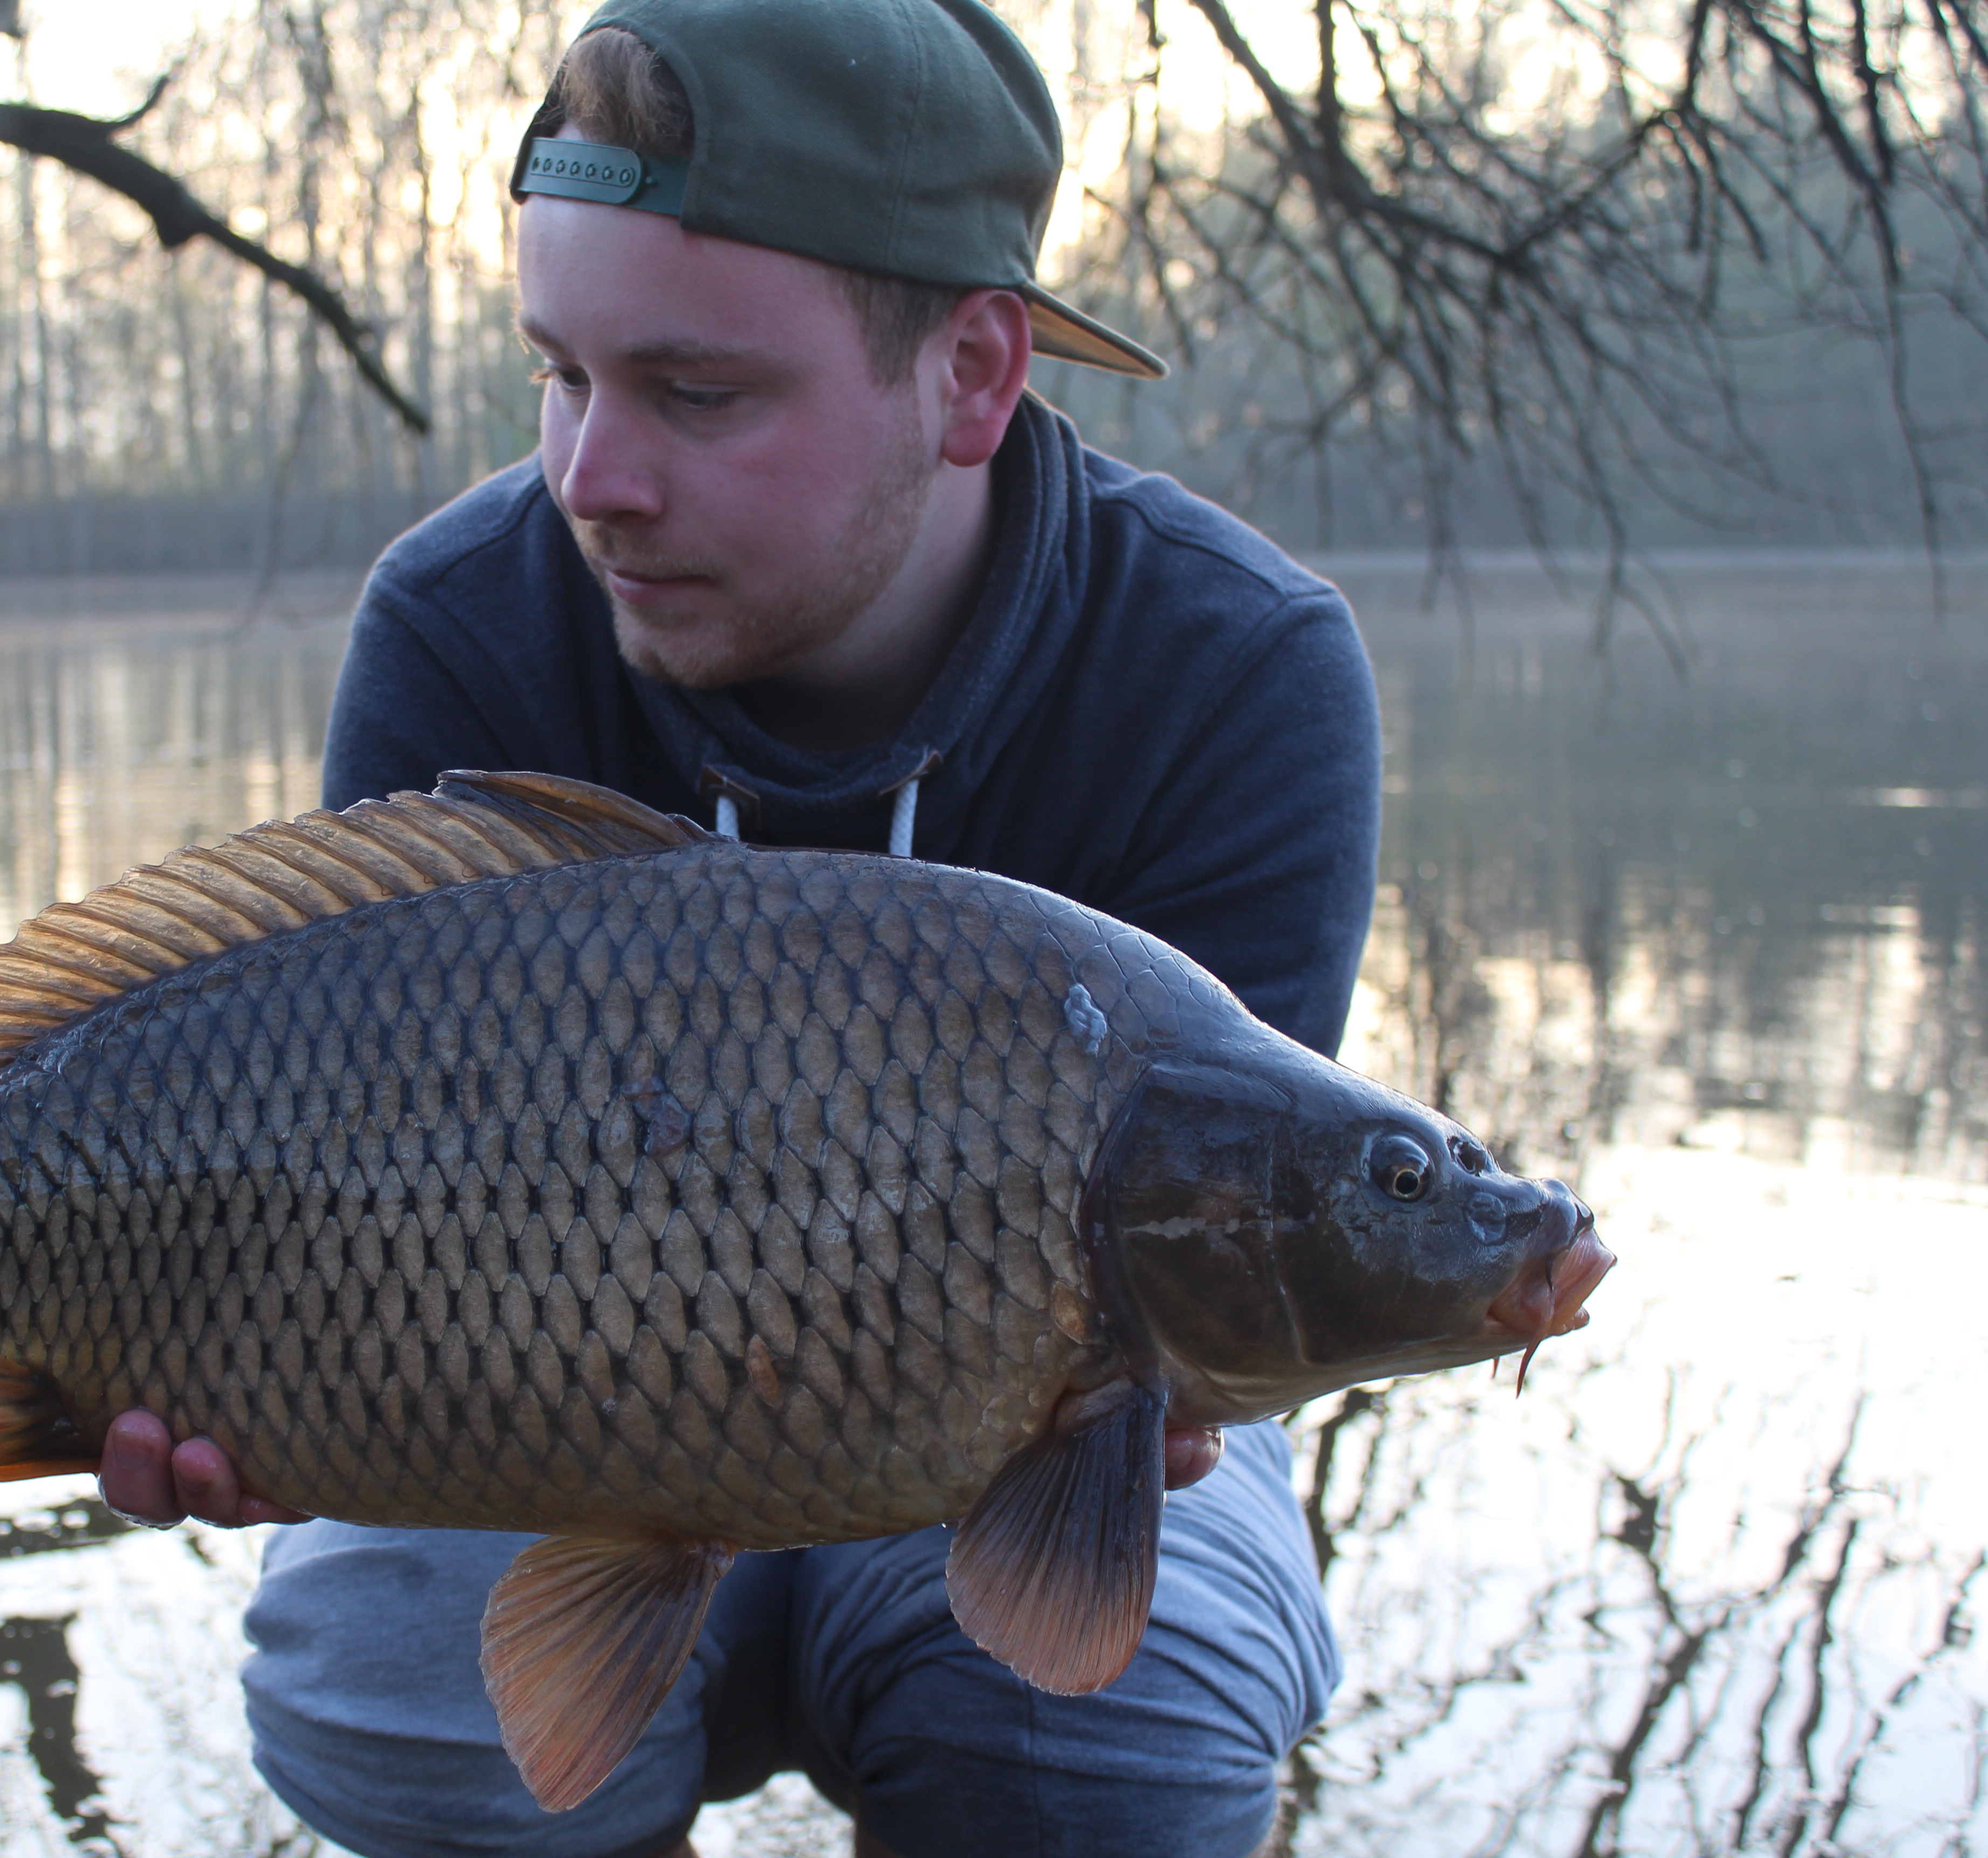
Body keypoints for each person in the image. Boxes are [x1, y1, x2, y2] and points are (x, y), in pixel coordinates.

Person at [101, 1, 1377, 1852]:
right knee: (390, 1677)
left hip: (1018, 1452)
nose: (592, 480)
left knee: (1113, 1722)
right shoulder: (464, 626)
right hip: (530, 1404)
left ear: (972, 374)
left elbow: (1208, 1316)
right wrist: (257, 1383)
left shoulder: (1234, 669)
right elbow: (321, 1170)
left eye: (695, 395)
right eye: (560, 375)